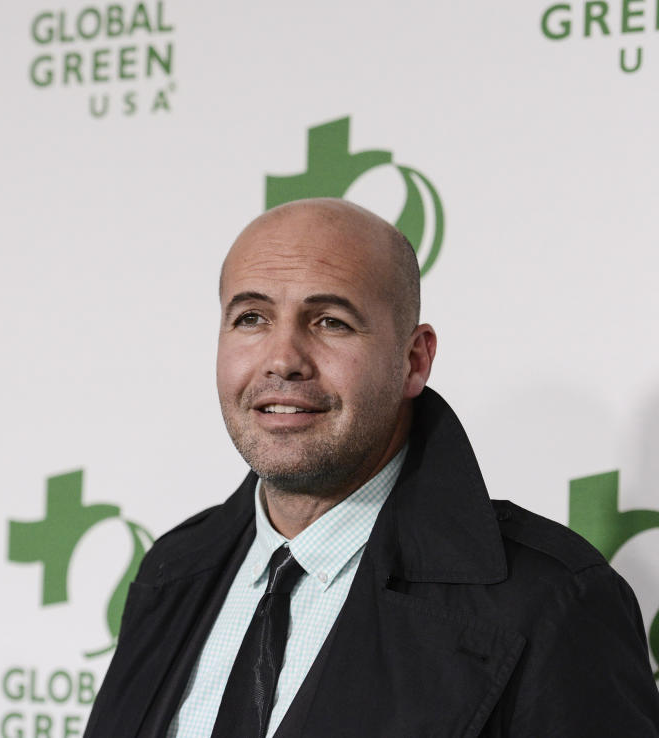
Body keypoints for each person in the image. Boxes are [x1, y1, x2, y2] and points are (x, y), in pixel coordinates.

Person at [84, 198, 659, 737]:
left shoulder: (554, 603)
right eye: (252, 318)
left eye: (330, 321)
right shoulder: (171, 568)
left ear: (414, 360)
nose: (282, 359)